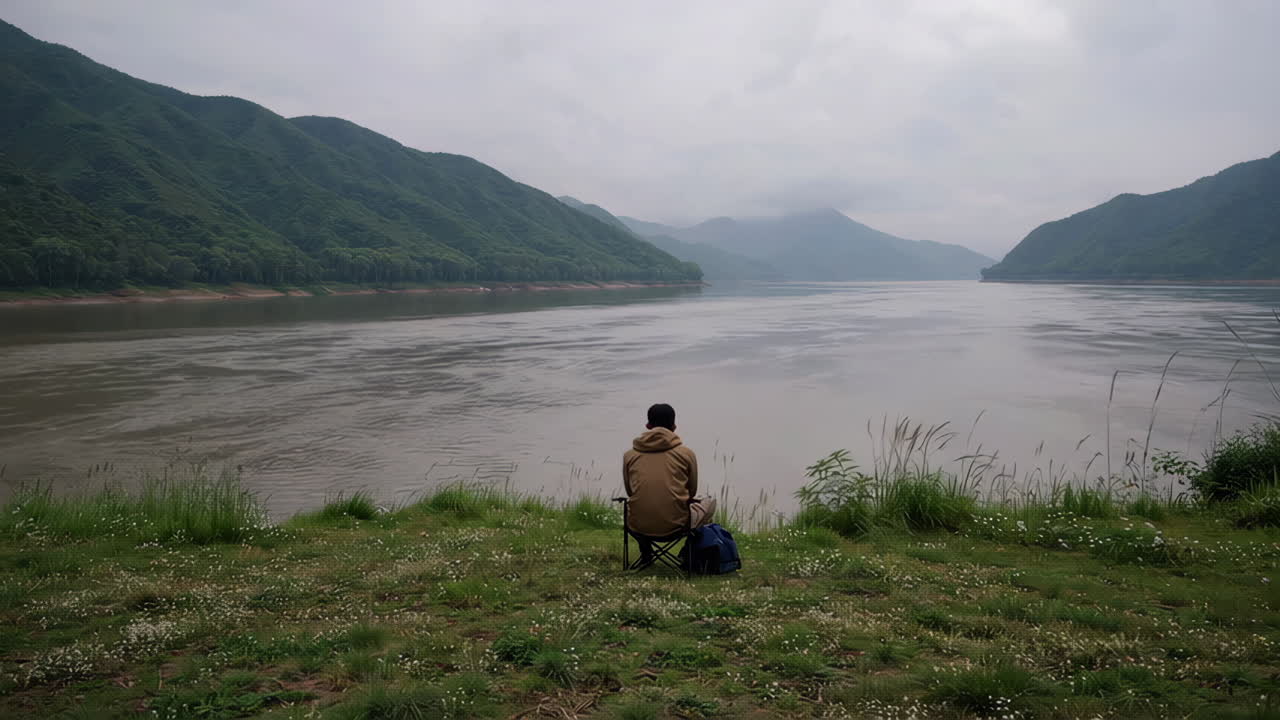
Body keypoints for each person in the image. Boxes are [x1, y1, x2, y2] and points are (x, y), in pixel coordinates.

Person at [623, 403, 716, 564]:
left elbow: (630, 491)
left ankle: (646, 553)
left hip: (638, 527)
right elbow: (691, 492)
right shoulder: (686, 454)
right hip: (677, 526)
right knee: (710, 502)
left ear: (648, 426)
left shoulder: (629, 455)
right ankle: (690, 554)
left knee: (641, 505)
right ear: (674, 427)